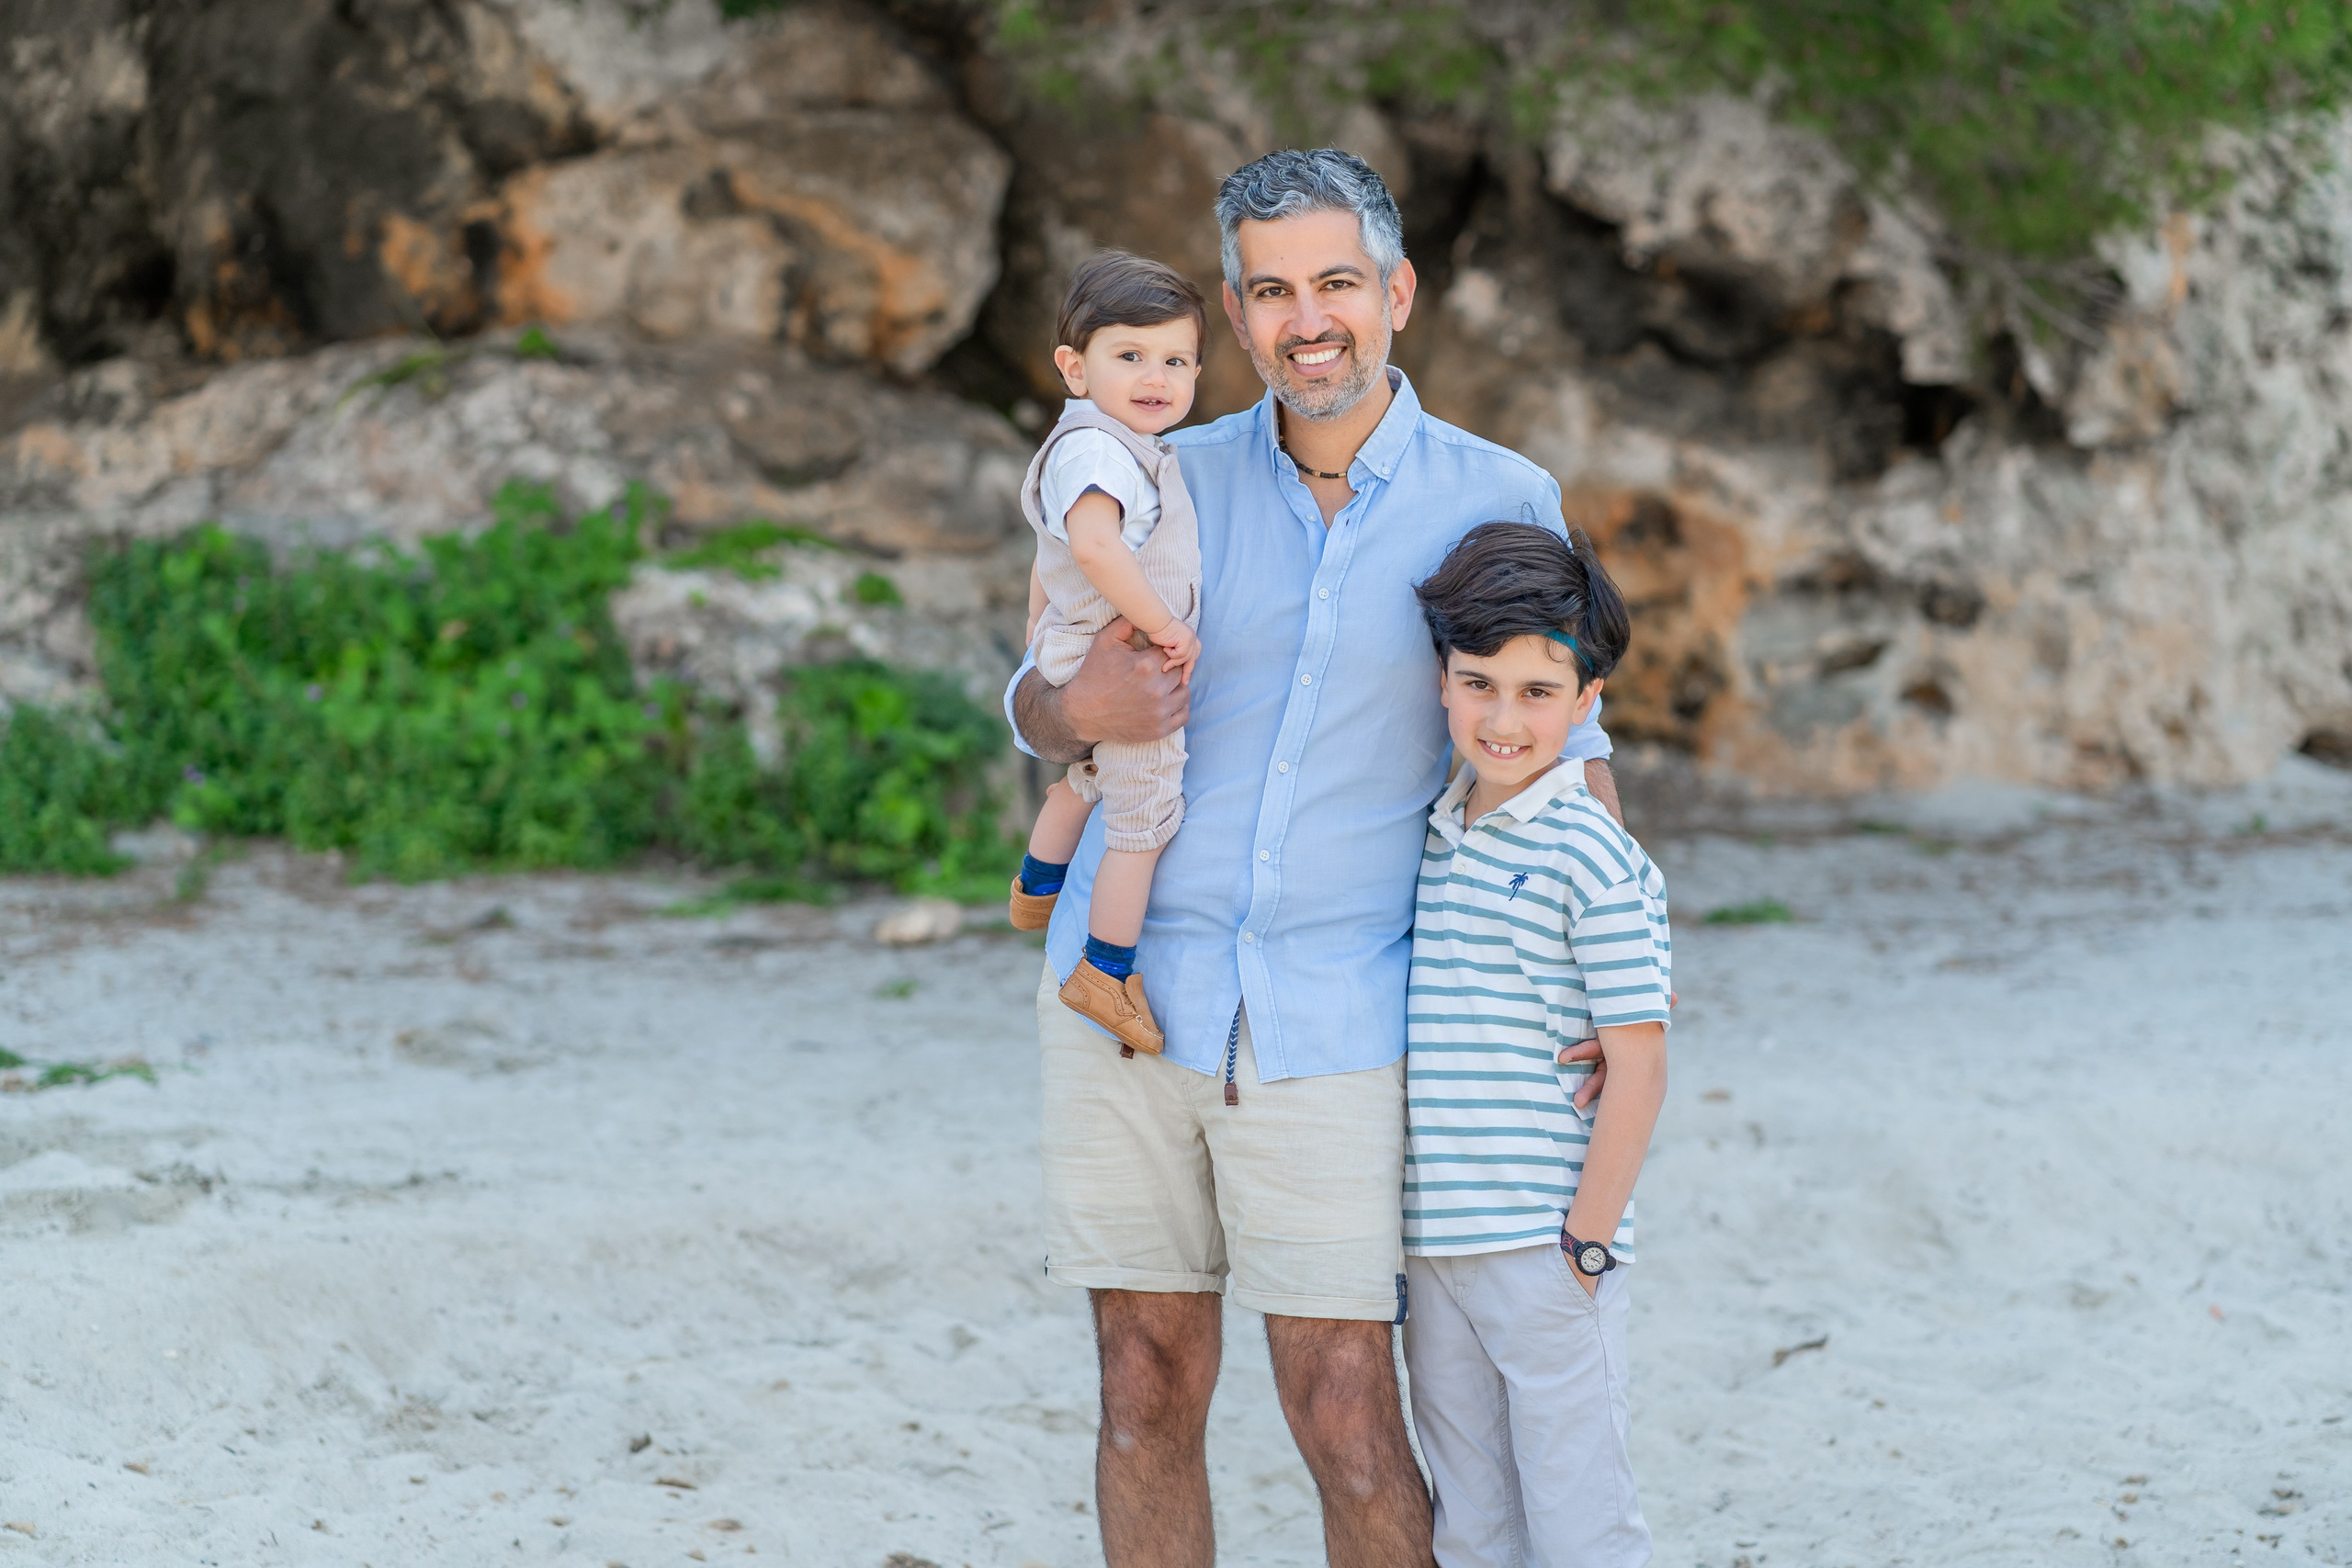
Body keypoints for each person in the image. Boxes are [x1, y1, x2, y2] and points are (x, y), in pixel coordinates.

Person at [1006, 147, 1624, 1568]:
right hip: (1126, 1000)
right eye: (1272, 291)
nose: (1309, 320)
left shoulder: (1497, 494)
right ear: (1233, 314)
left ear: (1397, 292)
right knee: (1141, 1383)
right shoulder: (1159, 477)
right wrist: (1071, 711)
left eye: (1337, 281)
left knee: (1344, 1402)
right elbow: (1038, 697)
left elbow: (1566, 755)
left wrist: (1596, 984)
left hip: (1343, 1015)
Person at [1403, 522, 1669, 1568]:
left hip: (1547, 1245)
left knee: (1580, 1518)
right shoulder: (1439, 827)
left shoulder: (1591, 854)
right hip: (1437, 1246)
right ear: (1442, 680)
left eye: (1537, 692)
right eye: (1478, 684)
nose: (1502, 718)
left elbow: (1638, 1063)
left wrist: (1588, 1242)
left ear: (1586, 702)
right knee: (1473, 1522)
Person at [1007, 252, 1208, 1056]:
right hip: (1122, 656)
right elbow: (1091, 546)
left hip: (1076, 641)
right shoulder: (1098, 452)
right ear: (1074, 367)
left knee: (1086, 778)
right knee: (1144, 815)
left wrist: (1039, 634)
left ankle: (1037, 886)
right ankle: (1106, 969)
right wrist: (1167, 627)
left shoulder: (1105, 443)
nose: (1156, 376)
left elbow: (1045, 559)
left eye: (1177, 360)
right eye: (1130, 355)